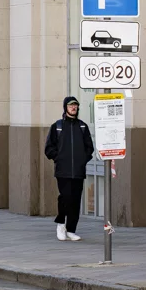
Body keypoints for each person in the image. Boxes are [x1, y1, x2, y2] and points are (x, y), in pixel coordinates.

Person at [44, 96, 95, 242]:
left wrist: (82, 160)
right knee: (65, 197)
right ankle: (61, 224)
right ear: (65, 107)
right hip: (63, 170)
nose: (74, 108)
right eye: (71, 105)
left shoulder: (82, 127)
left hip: (78, 172)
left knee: (75, 200)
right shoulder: (57, 126)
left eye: (75, 106)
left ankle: (71, 230)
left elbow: (89, 148)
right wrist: (58, 158)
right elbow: (49, 148)